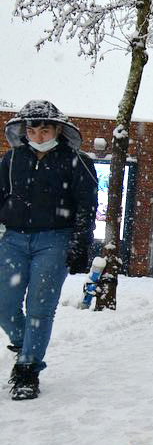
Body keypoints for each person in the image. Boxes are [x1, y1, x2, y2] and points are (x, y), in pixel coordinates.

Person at [1, 101, 97, 400]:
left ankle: (28, 371)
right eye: (32, 129)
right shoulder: (11, 160)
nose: (39, 135)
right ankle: (23, 341)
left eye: (45, 129)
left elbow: (87, 205)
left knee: (40, 308)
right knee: (4, 304)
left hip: (55, 240)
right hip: (13, 239)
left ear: (58, 130)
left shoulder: (77, 161)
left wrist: (80, 243)